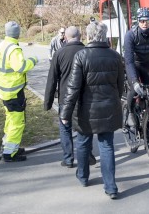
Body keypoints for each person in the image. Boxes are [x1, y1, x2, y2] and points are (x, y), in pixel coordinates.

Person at [60, 21, 124, 199]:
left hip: (86, 110)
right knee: (107, 146)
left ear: (88, 36)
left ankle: (83, 176)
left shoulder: (81, 56)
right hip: (109, 107)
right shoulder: (115, 56)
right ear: (105, 35)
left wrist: (65, 114)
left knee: (82, 142)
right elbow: (120, 87)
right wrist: (113, 100)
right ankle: (111, 187)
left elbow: (73, 88)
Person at [44, 26, 96, 168]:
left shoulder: (59, 53)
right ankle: (87, 154)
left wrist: (47, 102)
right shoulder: (88, 52)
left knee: (65, 127)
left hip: (65, 98)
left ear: (65, 38)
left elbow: (52, 79)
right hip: (85, 97)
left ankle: (68, 158)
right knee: (85, 126)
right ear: (81, 36)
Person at [0, 21, 38, 162]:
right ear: (18, 33)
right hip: (14, 91)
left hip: (5, 89)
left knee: (10, 119)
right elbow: (20, 67)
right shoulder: (13, 48)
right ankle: (10, 153)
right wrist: (33, 60)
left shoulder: (2, 45)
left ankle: (7, 145)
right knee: (17, 122)